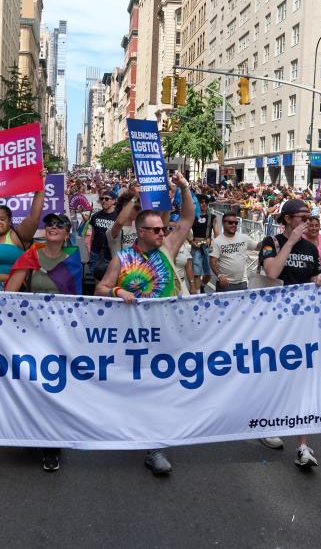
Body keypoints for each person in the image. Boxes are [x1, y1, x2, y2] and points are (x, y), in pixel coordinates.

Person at [95, 171, 194, 476]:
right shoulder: (122, 259)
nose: (163, 234)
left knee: (160, 388)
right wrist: (116, 290)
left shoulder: (168, 249)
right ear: (140, 232)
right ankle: (127, 428)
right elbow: (99, 289)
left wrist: (184, 189)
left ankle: (154, 446)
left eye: (164, 230)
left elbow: (188, 218)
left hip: (166, 333)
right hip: (132, 337)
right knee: (134, 387)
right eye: (156, 231)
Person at [5, 212, 84, 472]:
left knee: (56, 388)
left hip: (62, 335)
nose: (53, 227)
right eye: (49, 224)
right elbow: (10, 293)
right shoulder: (32, 255)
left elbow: (78, 300)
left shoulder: (74, 258)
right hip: (32, 332)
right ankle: (31, 431)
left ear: (67, 232)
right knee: (32, 385)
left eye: (59, 225)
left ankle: (52, 445)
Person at [258, 199, 321, 464]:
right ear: (287, 218)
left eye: (310, 216)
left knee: (304, 379)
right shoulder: (271, 242)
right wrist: (289, 242)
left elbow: (315, 275)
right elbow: (272, 271)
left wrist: (319, 279)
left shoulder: (311, 249)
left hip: (303, 322)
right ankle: (269, 425)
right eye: (302, 216)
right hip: (274, 323)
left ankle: (303, 446)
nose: (308, 221)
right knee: (275, 376)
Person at [209, 210, 260, 291]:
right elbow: (212, 261)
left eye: (236, 223)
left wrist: (269, 240)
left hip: (242, 283)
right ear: (223, 223)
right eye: (230, 222)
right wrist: (219, 276)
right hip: (225, 283)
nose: (233, 225)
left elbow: (258, 246)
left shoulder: (244, 238)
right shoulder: (217, 241)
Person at [85, 192, 118, 282]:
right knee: (97, 282)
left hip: (111, 255)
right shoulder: (96, 216)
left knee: (111, 282)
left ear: (114, 201)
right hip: (96, 253)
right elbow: (93, 235)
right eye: (102, 198)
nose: (103, 201)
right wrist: (91, 251)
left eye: (107, 199)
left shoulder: (118, 217)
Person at [189, 195, 219, 292]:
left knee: (208, 274)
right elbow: (186, 230)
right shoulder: (193, 216)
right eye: (201, 202)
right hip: (196, 247)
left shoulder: (212, 217)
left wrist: (215, 245)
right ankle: (197, 294)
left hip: (207, 247)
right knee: (197, 273)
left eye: (206, 202)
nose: (204, 204)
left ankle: (202, 285)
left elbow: (217, 234)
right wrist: (191, 242)